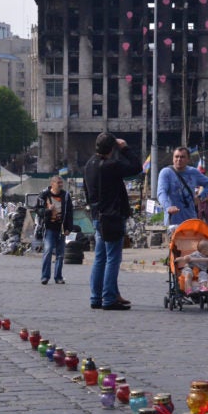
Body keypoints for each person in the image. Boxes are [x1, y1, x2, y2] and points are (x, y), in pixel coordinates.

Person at [84, 131, 141, 310]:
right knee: (113, 259)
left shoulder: (89, 164)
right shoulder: (111, 165)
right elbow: (136, 167)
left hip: (97, 215)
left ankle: (96, 297)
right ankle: (109, 298)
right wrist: (125, 148)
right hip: (112, 217)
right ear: (112, 149)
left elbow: (86, 191)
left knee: (100, 258)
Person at [157, 147, 208, 227]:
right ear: (173, 158)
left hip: (190, 220)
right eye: (176, 156)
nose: (179, 159)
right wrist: (168, 206)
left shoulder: (193, 172)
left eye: (182, 157)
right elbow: (161, 192)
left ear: (188, 159)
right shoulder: (166, 173)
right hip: (173, 222)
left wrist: (200, 197)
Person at [37, 175, 74, 285]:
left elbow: (70, 213)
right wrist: (48, 210)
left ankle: (58, 277)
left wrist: (69, 228)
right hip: (49, 228)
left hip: (61, 228)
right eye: (58, 183)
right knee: (48, 251)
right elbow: (38, 211)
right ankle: (45, 276)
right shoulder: (44, 195)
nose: (61, 185)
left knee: (60, 254)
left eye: (61, 183)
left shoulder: (66, 196)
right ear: (52, 184)